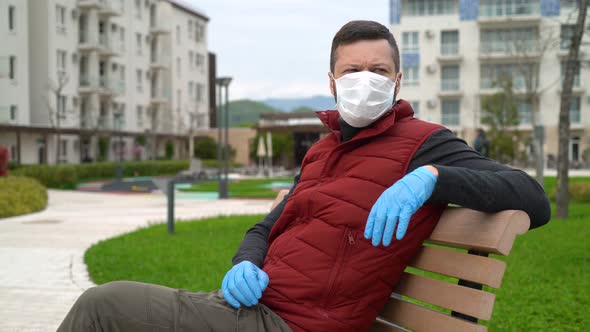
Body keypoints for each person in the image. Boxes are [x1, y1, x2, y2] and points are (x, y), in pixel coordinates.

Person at [58, 20, 550, 332]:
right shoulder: (322, 151)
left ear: (398, 81)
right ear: (332, 82)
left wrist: (432, 178)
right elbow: (265, 228)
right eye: (352, 70)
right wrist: (243, 263)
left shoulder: (424, 141)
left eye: (378, 70)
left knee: (103, 305)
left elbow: (533, 196)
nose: (366, 80)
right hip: (252, 308)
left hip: (297, 324)